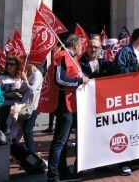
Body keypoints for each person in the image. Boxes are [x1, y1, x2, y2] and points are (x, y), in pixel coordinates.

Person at [47, 35, 89, 182]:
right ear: (75, 45)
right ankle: (52, 175)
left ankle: (63, 171)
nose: (82, 48)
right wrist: (79, 80)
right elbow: (59, 80)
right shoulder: (63, 56)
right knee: (60, 141)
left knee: (63, 141)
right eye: (81, 45)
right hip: (64, 105)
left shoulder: (73, 58)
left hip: (71, 104)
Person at [114, 29, 139, 176]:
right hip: (127, 97)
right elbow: (120, 71)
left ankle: (138, 158)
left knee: (138, 128)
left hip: (138, 97)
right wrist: (138, 67)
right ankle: (123, 163)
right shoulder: (125, 52)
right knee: (126, 130)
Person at [0, 57, 28, 136]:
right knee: (2, 130)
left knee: (15, 132)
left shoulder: (21, 78)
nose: (9, 66)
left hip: (16, 108)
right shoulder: (1, 78)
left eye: (12, 64)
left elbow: (27, 91)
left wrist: (25, 81)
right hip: (4, 108)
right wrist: (9, 95)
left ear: (17, 66)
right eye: (7, 64)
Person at [22, 62, 44, 154]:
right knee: (25, 131)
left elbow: (32, 90)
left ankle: (31, 154)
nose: (25, 65)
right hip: (25, 105)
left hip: (32, 107)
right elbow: (24, 89)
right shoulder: (30, 74)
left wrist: (26, 81)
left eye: (26, 63)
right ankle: (28, 153)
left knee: (28, 131)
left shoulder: (37, 75)